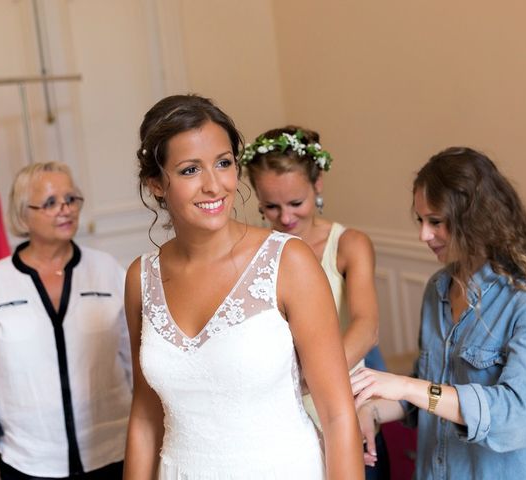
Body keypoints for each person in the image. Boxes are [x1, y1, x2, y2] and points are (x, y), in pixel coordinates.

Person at [123, 94, 363, 479]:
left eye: (223, 163)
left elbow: (337, 414)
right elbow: (145, 415)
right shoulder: (141, 277)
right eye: (189, 170)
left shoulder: (289, 262)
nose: (213, 185)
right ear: (155, 183)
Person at [351, 147, 526, 479]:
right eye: (421, 220)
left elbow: (518, 418)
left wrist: (405, 386)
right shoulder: (438, 289)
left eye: (436, 222)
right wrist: (372, 411)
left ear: (474, 219)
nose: (423, 235)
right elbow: (429, 392)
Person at [241, 126, 389, 478]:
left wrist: (311, 379)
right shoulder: (251, 250)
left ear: (317, 184)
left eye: (296, 203)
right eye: (270, 207)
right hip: (279, 413)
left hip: (344, 398)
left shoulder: (349, 244)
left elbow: (367, 328)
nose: (286, 218)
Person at [0, 162, 132, 479]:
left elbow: (135, 353)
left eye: (71, 199)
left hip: (111, 450)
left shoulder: (107, 270)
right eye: (51, 202)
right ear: (23, 214)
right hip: (28, 458)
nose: (65, 210)